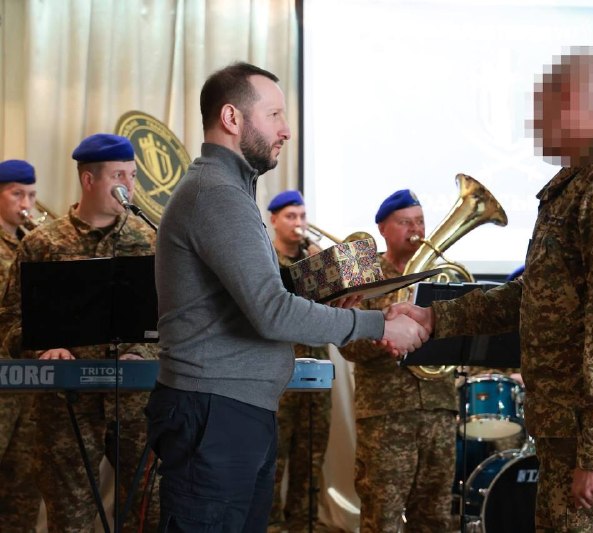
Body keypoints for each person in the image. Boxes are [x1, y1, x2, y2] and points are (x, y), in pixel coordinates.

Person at [388, 47, 593, 530]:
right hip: (566, 432)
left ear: (577, 104)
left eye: (542, 110)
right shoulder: (574, 183)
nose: (533, 125)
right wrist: (436, 317)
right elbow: (535, 294)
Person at [144, 62, 426, 532]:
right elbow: (272, 313)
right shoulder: (217, 193)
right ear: (232, 118)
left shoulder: (227, 190)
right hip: (215, 413)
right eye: (274, 115)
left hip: (229, 410)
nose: (286, 131)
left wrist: (325, 296)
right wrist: (379, 324)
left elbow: (256, 298)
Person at [0, 134, 160, 530]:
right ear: (88, 180)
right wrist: (42, 349)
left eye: (132, 175)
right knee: (69, 520)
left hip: (137, 407)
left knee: (148, 515)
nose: (128, 185)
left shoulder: (151, 241)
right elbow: (10, 322)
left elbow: (177, 321)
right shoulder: (42, 244)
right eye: (118, 175)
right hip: (65, 407)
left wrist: (143, 352)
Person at [338, 189, 457, 532]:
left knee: (435, 517)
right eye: (405, 222)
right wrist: (386, 336)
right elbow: (347, 343)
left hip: (439, 409)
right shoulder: (363, 270)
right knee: (383, 516)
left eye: (420, 221)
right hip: (385, 414)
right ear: (382, 229)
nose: (416, 230)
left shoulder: (440, 273)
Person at [266, 189, 331, 532]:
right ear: (274, 220)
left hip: (316, 370)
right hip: (278, 372)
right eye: (291, 216)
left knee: (312, 457)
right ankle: (271, 526)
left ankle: (304, 524)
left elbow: (334, 310)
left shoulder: (314, 259)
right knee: (273, 457)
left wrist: (323, 269)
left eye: (303, 216)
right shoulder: (264, 260)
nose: (299, 223)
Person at [0, 159, 42, 529]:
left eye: (31, 194)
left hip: (26, 380)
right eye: (17, 194)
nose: (26, 203)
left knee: (25, 482)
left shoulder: (32, 244)